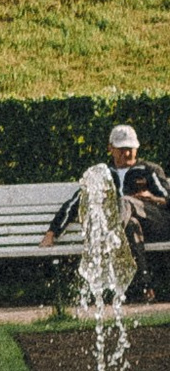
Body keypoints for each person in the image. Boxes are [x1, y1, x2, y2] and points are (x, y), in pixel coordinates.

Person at [45, 121, 170, 303]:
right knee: (130, 226)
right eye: (121, 149)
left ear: (137, 148)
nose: (127, 153)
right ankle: (145, 288)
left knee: (124, 201)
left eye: (130, 149)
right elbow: (75, 203)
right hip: (131, 231)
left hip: (156, 223)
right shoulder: (103, 174)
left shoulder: (149, 170)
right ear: (110, 148)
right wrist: (52, 232)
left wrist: (152, 198)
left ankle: (109, 236)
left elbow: (168, 198)